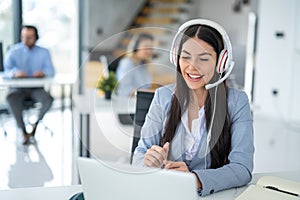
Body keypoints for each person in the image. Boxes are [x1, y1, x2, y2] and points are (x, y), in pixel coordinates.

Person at [132, 19, 254, 196]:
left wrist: (194, 179)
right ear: (176, 58)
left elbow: (242, 168)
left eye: (203, 58)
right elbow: (139, 154)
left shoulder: (236, 102)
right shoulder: (163, 96)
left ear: (221, 62)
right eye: (186, 57)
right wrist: (148, 162)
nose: (192, 67)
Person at [4, 25, 55, 145]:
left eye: (30, 37)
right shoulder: (13, 51)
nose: (26, 40)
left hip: (36, 89)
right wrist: (15, 74)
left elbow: (51, 71)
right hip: (18, 89)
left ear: (36, 38)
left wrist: (43, 73)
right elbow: (5, 71)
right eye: (24, 37)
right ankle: (23, 131)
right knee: (10, 98)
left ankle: (35, 126)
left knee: (48, 99)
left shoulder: (44, 52)